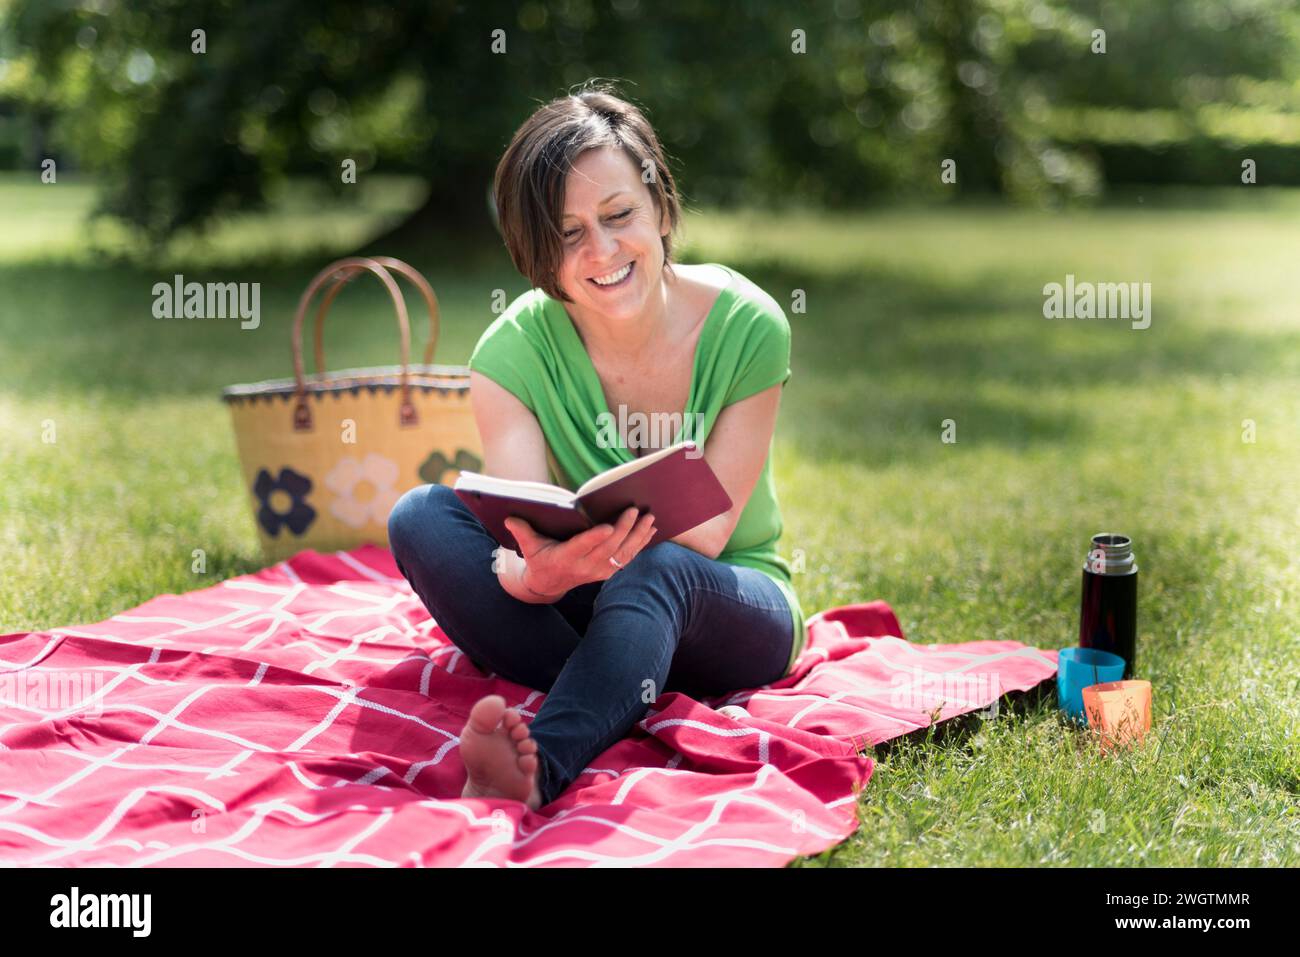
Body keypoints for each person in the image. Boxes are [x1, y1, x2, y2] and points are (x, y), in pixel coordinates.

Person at [387, 82, 806, 810]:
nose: (602, 250)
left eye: (619, 216)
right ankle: (616, 680)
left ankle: (543, 763)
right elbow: (516, 535)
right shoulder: (510, 353)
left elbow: (707, 533)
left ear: (662, 210)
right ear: (536, 252)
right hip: (577, 597)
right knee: (419, 516)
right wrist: (534, 579)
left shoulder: (750, 326)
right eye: (568, 232)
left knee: (660, 565)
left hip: (723, 601)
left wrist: (581, 566)